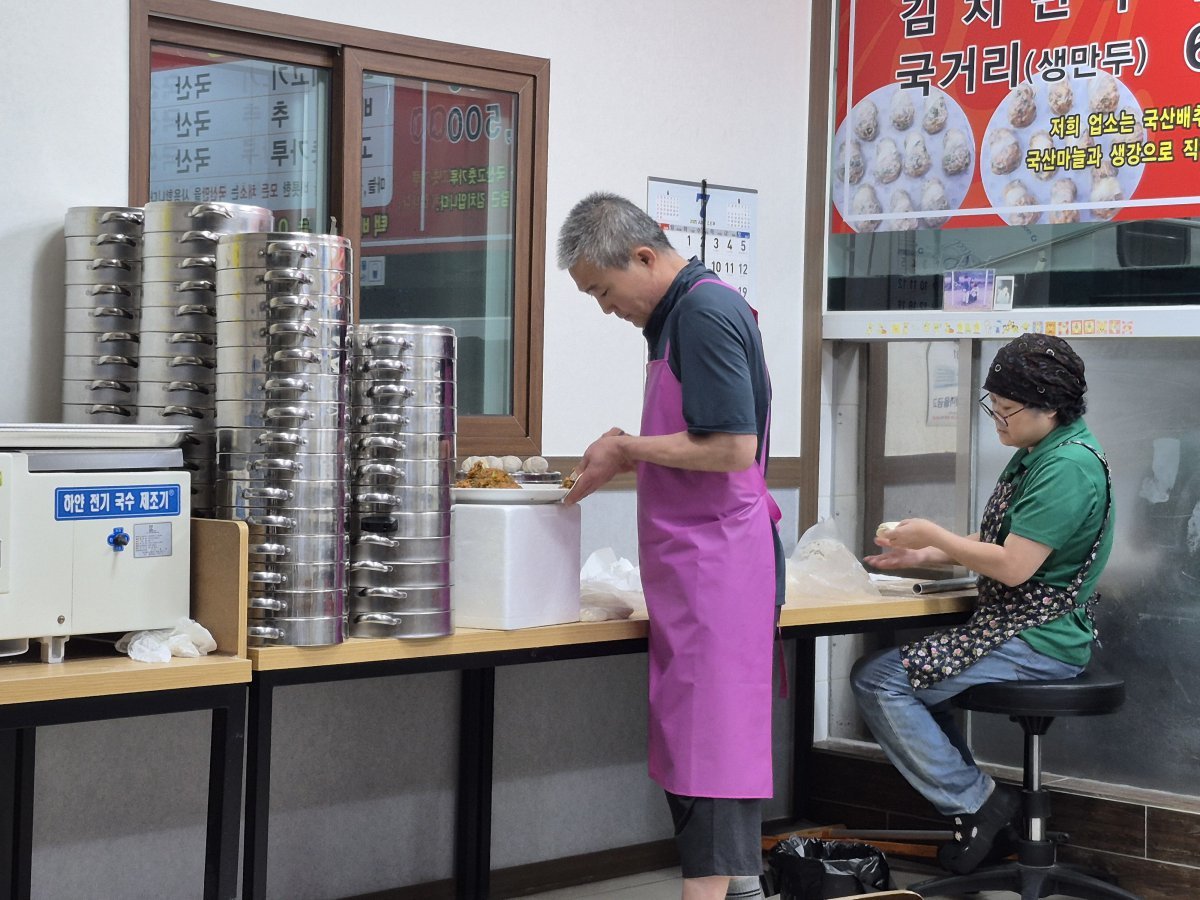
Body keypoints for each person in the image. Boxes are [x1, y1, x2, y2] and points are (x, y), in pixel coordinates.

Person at [557, 192, 783, 900]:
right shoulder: (677, 316)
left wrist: (627, 448)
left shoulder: (704, 312)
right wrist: (628, 447)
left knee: (710, 749)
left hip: (720, 567)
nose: (605, 308)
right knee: (699, 745)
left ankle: (711, 892)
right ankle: (738, 889)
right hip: (696, 567)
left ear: (644, 256)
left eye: (603, 290)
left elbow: (730, 448)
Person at [852, 332, 1113, 875]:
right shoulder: (1041, 453)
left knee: (880, 681)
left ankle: (979, 803)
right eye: (991, 405)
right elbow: (1007, 538)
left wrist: (937, 534)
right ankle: (980, 812)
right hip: (1015, 627)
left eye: (1006, 409)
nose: (996, 419)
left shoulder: (1067, 467)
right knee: (916, 685)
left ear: (1049, 407)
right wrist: (925, 553)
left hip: (1039, 639)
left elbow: (1014, 565)